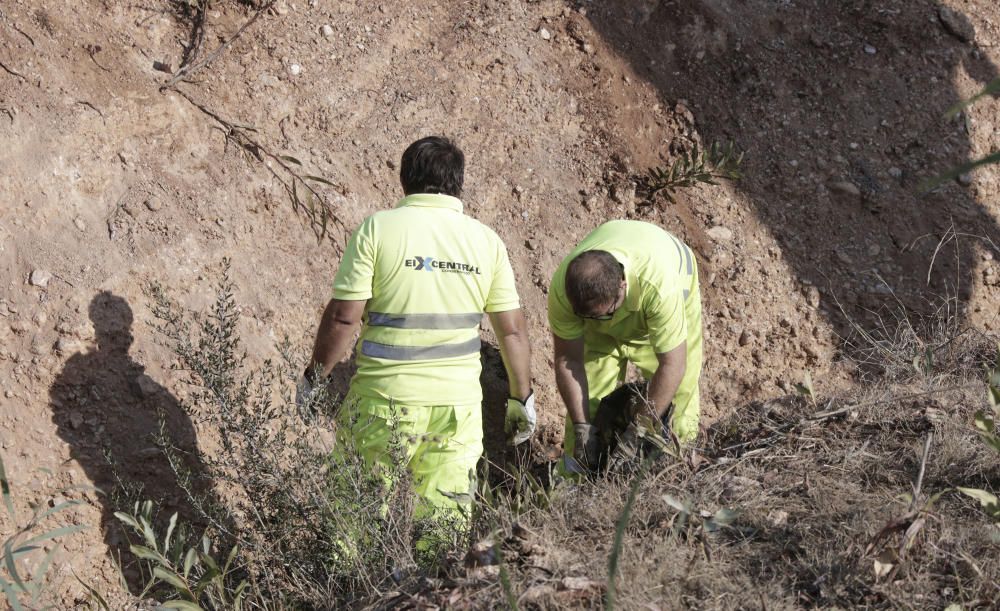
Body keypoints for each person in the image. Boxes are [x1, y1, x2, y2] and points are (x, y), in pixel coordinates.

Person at [298, 136, 535, 545]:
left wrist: (315, 378)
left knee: (355, 521)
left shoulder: (379, 229)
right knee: (444, 528)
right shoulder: (486, 242)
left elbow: (343, 316)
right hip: (457, 409)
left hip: (383, 401)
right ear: (458, 184)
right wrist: (521, 398)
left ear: (404, 180)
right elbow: (511, 329)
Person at [547, 220, 703, 472]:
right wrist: (582, 426)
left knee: (678, 400)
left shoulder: (660, 288)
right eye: (587, 317)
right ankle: (573, 484)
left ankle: (677, 470)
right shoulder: (564, 292)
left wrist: (638, 432)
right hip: (609, 303)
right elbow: (569, 360)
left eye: (604, 315)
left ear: (623, 286)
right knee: (589, 403)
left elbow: (673, 365)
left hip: (667, 287)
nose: (599, 323)